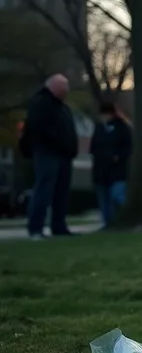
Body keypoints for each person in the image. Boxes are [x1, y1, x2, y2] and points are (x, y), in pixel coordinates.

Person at [23, 74, 78, 239]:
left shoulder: (63, 107)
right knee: (44, 189)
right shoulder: (40, 104)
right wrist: (57, 142)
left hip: (63, 154)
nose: (66, 90)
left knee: (61, 193)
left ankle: (59, 226)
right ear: (53, 87)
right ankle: (35, 228)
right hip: (47, 153)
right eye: (63, 87)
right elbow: (38, 129)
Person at [90, 102, 132, 227]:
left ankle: (121, 218)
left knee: (117, 195)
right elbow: (94, 146)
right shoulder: (99, 128)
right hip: (101, 169)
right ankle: (108, 222)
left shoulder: (121, 127)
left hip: (117, 169)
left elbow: (128, 146)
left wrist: (118, 156)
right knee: (104, 199)